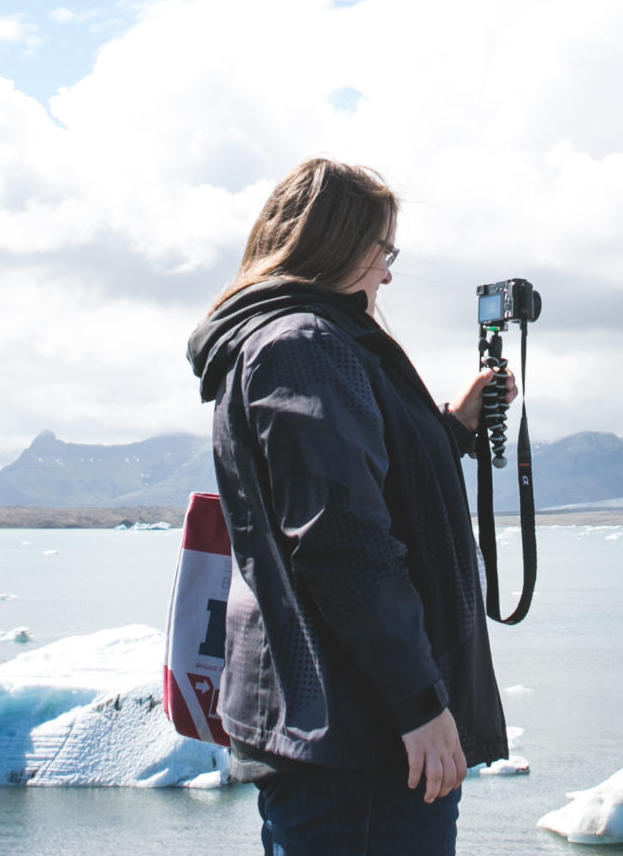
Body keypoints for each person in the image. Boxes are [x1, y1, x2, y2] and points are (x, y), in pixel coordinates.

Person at [186, 158, 514, 856]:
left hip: (339, 730)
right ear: (336, 243)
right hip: (360, 742)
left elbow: (350, 486)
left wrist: (450, 429)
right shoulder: (306, 346)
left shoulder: (288, 340)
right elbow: (341, 539)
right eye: (383, 251)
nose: (388, 274)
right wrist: (420, 705)